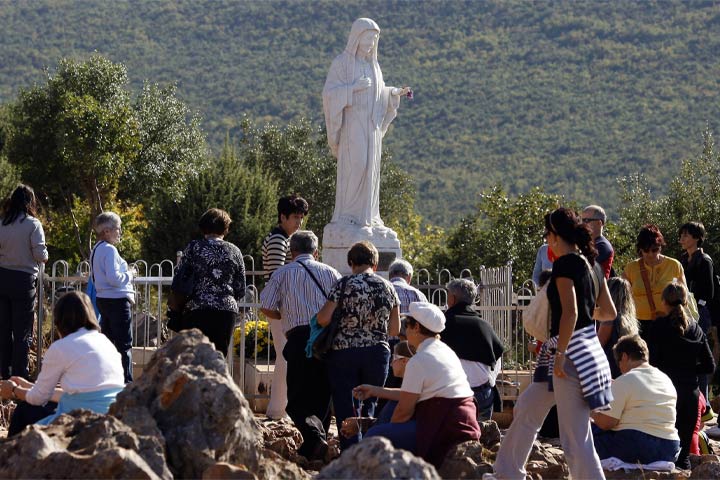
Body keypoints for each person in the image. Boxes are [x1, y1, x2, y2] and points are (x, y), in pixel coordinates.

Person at [489, 207, 617, 480]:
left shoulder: (564, 264)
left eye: (547, 234)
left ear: (555, 235)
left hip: (567, 355)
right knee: (527, 408)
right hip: (586, 350)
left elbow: (569, 313)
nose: (547, 240)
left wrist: (561, 351)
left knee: (574, 437)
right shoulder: (592, 264)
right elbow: (608, 312)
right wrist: (583, 315)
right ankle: (506, 473)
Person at [354, 302, 480, 467]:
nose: (404, 330)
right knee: (391, 408)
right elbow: (411, 394)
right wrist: (376, 391)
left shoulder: (420, 360)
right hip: (459, 421)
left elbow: (403, 412)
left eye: (406, 324)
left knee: (374, 437)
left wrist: (385, 433)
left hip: (445, 428)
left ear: (416, 327)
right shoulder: (444, 350)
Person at [322, 18, 411, 228]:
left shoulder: (374, 66)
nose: (371, 43)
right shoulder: (342, 63)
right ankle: (348, 215)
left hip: (371, 125)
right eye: (368, 38)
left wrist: (393, 93)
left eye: (374, 39)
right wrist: (353, 87)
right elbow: (328, 94)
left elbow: (378, 92)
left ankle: (368, 216)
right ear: (357, 37)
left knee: (371, 168)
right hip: (353, 123)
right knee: (358, 165)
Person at [260, 230, 340, 461]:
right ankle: (316, 442)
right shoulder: (331, 272)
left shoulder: (283, 273)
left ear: (291, 251)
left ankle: (314, 440)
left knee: (295, 396)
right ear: (316, 251)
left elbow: (265, 305)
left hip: (298, 336)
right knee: (322, 392)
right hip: (326, 338)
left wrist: (283, 315)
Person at [0, 292, 124, 436]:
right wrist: (29, 386)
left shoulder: (61, 347)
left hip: (82, 418)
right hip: (112, 415)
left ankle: (13, 454)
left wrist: (14, 390)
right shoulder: (105, 342)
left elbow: (38, 398)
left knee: (25, 411)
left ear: (59, 320)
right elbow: (80, 393)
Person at [316, 240, 400, 450]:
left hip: (345, 352)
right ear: (375, 262)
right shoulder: (388, 287)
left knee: (347, 404)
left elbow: (323, 319)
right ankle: (369, 450)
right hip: (377, 353)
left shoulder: (344, 284)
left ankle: (351, 451)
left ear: (351, 262)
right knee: (370, 401)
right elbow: (394, 330)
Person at [647, 282, 715, 469]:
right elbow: (710, 365)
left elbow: (651, 361)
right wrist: (689, 370)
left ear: (663, 302)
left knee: (663, 450)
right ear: (686, 302)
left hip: (665, 392)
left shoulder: (658, 327)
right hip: (690, 393)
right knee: (683, 457)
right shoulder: (696, 329)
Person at [591, 335, 681, 464]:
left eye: (618, 362)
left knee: (590, 429)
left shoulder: (625, 380)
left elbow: (606, 423)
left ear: (624, 357)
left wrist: (592, 411)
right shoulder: (665, 379)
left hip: (637, 444)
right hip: (669, 447)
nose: (619, 367)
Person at [262, 194, 309, 419]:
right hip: (280, 308)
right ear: (283, 217)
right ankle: (279, 408)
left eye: (301, 218)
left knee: (285, 356)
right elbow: (276, 275)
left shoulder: (281, 238)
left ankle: (279, 407)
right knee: (285, 356)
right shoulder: (278, 240)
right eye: (295, 218)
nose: (298, 223)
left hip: (281, 307)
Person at [180, 209, 246, 357]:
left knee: (195, 359)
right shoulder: (235, 251)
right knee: (218, 359)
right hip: (225, 311)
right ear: (225, 228)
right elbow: (240, 288)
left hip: (197, 308)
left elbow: (181, 277)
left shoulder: (194, 248)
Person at [0, 185, 48, 379]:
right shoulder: (33, 224)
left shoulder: (2, 223)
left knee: (4, 329)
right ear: (30, 202)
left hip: (2, 277)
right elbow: (40, 254)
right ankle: (20, 375)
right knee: (22, 331)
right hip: (23, 280)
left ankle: (4, 373)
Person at [441, 279, 505, 420]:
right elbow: (498, 356)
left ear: (452, 298)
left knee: (455, 439)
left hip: (453, 394)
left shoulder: (444, 323)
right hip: (483, 392)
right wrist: (489, 382)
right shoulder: (483, 325)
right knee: (480, 437)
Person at [91, 211, 135, 383]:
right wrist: (131, 274)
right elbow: (114, 279)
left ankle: (107, 379)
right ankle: (127, 383)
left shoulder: (97, 249)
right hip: (117, 300)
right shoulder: (109, 250)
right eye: (118, 228)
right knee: (124, 345)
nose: (120, 232)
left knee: (108, 343)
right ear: (107, 231)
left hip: (103, 299)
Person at [622, 224, 686, 343]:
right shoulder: (631, 268)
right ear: (640, 249)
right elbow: (622, 297)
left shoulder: (674, 265)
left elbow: (683, 296)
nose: (651, 254)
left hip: (668, 322)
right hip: (638, 324)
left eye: (655, 249)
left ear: (660, 246)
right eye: (646, 250)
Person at [339, 340, 416, 438]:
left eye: (394, 358)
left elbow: (391, 427)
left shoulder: (410, 394)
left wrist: (363, 424)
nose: (391, 363)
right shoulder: (406, 391)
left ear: (405, 360)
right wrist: (361, 423)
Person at [678, 221, 715, 419]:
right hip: (685, 312)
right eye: (682, 234)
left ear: (696, 237)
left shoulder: (704, 260)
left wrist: (695, 308)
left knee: (699, 356)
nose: (682, 238)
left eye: (686, 235)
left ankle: (705, 405)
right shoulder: (683, 259)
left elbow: (708, 292)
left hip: (699, 314)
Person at [598, 277, 640, 378]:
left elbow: (598, 346)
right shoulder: (629, 319)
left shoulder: (609, 320)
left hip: (610, 369)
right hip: (625, 369)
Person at [581, 205, 614, 278]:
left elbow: (584, 267)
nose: (583, 224)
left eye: (586, 220)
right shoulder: (589, 243)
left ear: (599, 223)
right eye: (581, 220)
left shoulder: (602, 245)